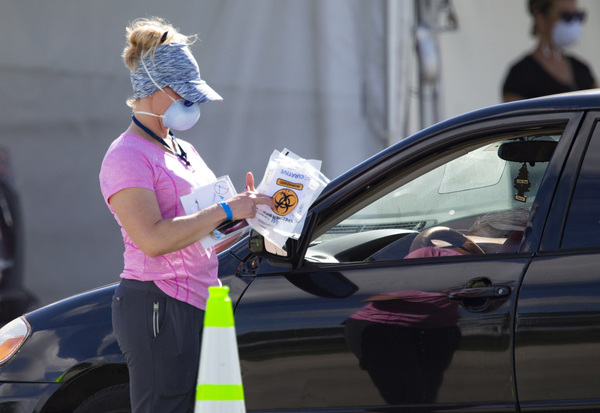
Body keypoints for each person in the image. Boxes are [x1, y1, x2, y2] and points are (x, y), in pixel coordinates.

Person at [99, 17, 273, 412]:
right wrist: (225, 209)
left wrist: (246, 212)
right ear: (154, 89)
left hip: (198, 298)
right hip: (158, 300)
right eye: (187, 96)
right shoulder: (126, 155)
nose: (193, 106)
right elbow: (153, 239)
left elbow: (203, 228)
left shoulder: (183, 149)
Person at [502, 0, 597, 102]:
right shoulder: (520, 75)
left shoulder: (582, 69)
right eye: (566, 16)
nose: (573, 23)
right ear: (540, 18)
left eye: (578, 16)